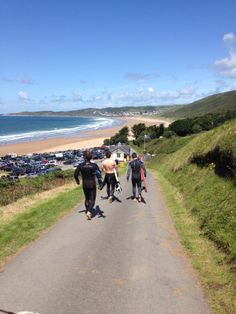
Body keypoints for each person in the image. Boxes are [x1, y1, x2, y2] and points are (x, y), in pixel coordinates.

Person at [74, 150, 101, 220]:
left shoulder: (80, 165)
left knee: (87, 198)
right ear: (91, 157)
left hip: (85, 184)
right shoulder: (94, 165)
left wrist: (77, 180)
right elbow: (99, 174)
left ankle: (87, 211)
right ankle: (89, 211)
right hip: (92, 184)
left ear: (83, 157)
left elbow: (75, 174)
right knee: (92, 199)